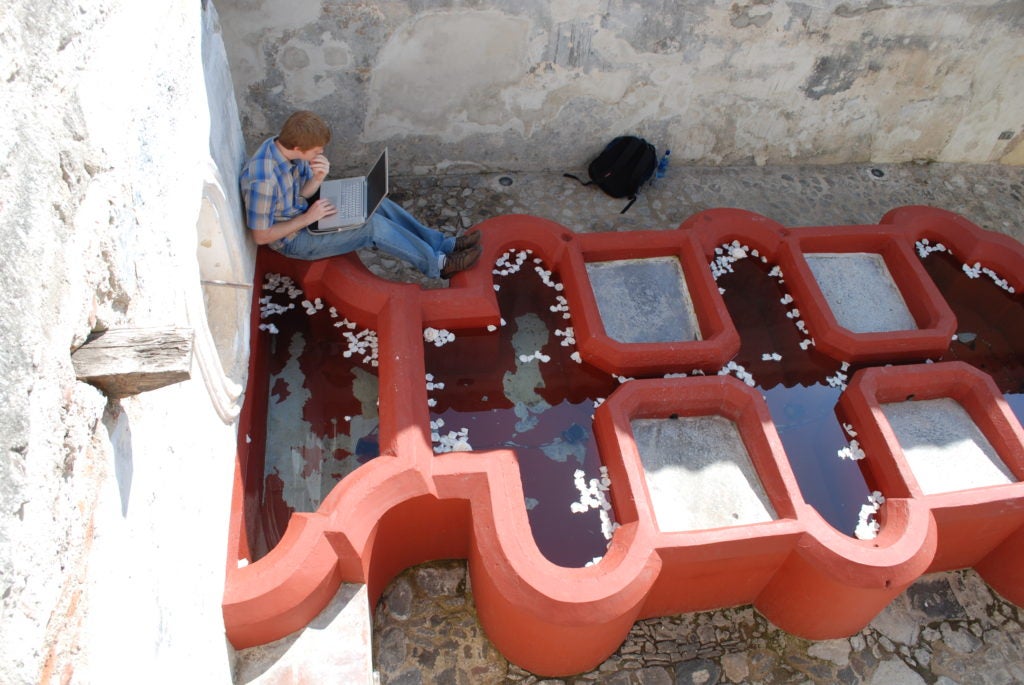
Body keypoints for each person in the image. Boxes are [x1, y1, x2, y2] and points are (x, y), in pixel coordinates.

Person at [240, 111, 481, 279]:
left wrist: (316, 180)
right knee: (370, 227)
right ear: (297, 148)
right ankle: (439, 266)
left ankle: (444, 245)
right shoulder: (263, 181)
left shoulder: (284, 149)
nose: (321, 153)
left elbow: (298, 196)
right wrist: (307, 218)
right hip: (294, 240)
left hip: (307, 213)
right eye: (317, 150)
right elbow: (261, 236)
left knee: (377, 203)